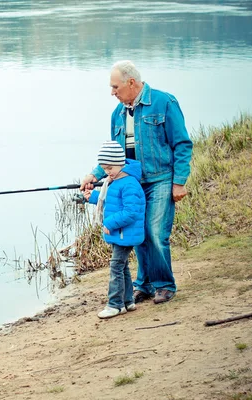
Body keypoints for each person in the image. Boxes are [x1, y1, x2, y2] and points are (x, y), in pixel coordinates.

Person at [81, 60, 193, 305]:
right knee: (139, 234)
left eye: (115, 87)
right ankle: (144, 285)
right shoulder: (118, 115)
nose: (112, 93)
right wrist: (95, 174)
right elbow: (114, 155)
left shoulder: (164, 102)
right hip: (133, 183)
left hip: (162, 179)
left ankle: (164, 285)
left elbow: (182, 144)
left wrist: (179, 182)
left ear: (131, 82)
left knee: (155, 232)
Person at [84, 141, 146, 319]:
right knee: (123, 266)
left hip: (125, 233)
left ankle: (114, 304)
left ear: (121, 162)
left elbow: (131, 211)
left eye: (110, 167)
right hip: (121, 234)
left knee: (116, 267)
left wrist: (109, 223)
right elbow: (112, 202)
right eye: (104, 168)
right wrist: (94, 197)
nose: (107, 172)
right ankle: (127, 302)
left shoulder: (129, 183)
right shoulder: (116, 181)